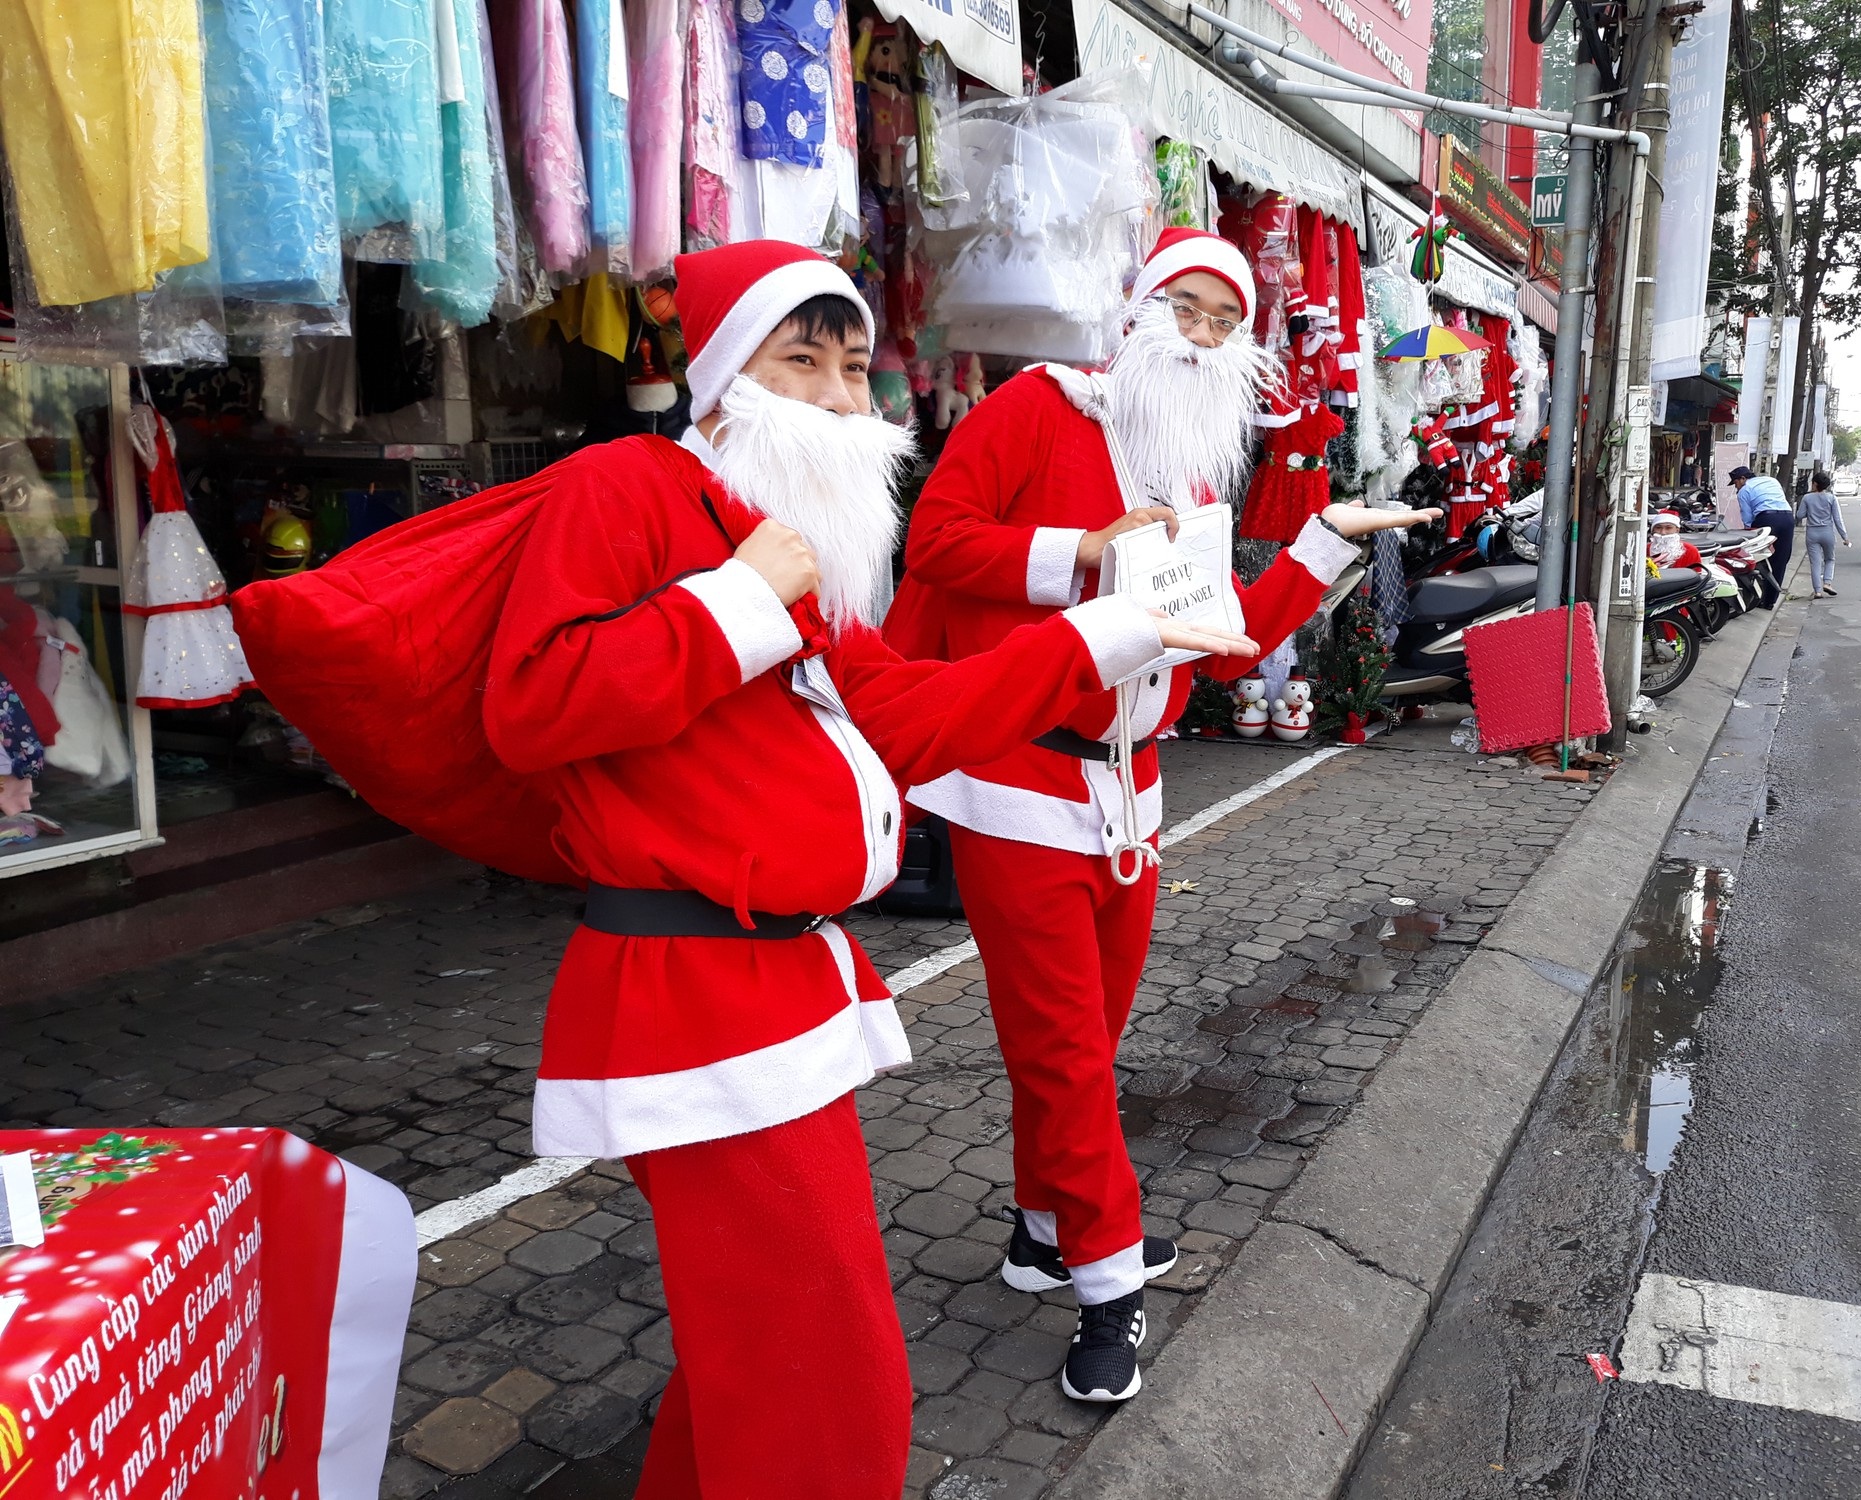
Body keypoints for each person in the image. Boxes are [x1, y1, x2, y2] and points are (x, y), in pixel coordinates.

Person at [275, 241, 1263, 1499]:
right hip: (691, 990)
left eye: (854, 369)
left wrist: (1105, 634)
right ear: (726, 374)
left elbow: (902, 718)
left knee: (754, 1367)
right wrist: (735, 601)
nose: (842, 398)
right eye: (803, 361)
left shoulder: (785, 543)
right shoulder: (631, 485)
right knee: (828, 1390)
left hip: (780, 982)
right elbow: (534, 706)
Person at [882, 228, 1441, 1406]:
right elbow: (934, 541)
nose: (1199, 337)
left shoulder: (1185, 470)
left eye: (1222, 321)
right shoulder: (1038, 407)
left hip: (1129, 795)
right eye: (1182, 308)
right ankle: (1105, 1282)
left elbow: (1221, 636)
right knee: (1067, 1053)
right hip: (1016, 782)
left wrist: (1319, 543)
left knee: (1081, 1042)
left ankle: (1043, 1230)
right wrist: (1083, 553)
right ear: (1136, 309)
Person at [1728, 464, 1795, 607]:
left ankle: (1758, 597)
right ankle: (1770, 601)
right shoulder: (1772, 480)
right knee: (1781, 560)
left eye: (1736, 483)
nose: (1736, 487)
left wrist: (1749, 535)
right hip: (1788, 518)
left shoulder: (1744, 490)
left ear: (1743, 478)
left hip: (1767, 519)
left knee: (1760, 558)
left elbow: (1747, 519)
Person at [1799, 471, 1850, 597]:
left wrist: (1810, 512)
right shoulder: (1831, 498)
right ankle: (1827, 583)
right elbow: (1837, 519)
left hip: (1812, 533)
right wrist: (1844, 537)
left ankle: (1817, 591)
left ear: (1815, 484)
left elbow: (1800, 515)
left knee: (1815, 563)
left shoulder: (1807, 498)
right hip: (1827, 532)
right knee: (1830, 559)